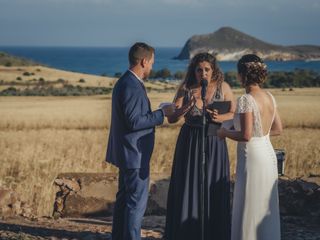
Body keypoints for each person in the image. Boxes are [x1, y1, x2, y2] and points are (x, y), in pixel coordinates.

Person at [106, 42, 174, 240]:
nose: (152, 67)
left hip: (127, 153)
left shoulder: (125, 81)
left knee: (124, 201)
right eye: (152, 62)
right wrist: (162, 113)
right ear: (144, 61)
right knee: (135, 205)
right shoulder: (132, 85)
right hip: (134, 155)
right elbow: (135, 121)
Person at [164, 52, 236, 240]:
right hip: (190, 141)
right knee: (190, 184)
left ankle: (214, 232)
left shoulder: (224, 87)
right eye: (199, 70)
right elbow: (172, 118)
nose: (203, 73)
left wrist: (218, 117)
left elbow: (234, 113)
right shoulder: (186, 88)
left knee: (212, 184)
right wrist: (187, 106)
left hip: (215, 141)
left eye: (207, 69)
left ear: (213, 71)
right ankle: (188, 232)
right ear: (193, 71)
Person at [217, 54, 283, 240]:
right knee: (263, 203)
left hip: (252, 156)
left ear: (242, 75)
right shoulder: (269, 96)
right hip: (267, 153)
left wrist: (224, 133)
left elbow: (245, 135)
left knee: (248, 202)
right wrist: (234, 123)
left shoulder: (246, 99)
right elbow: (277, 129)